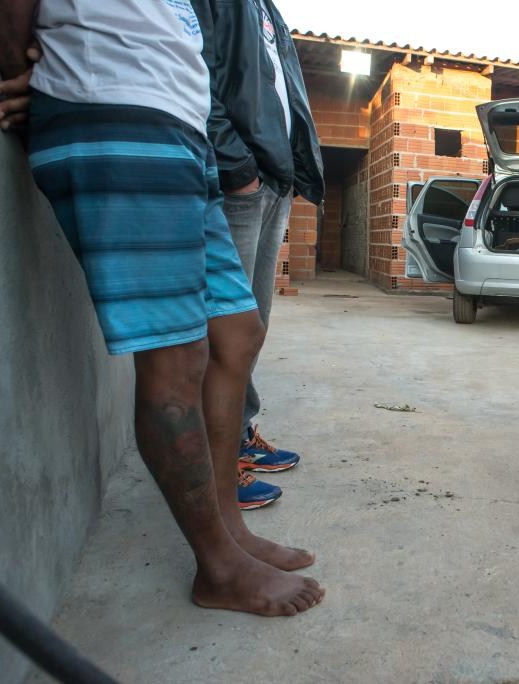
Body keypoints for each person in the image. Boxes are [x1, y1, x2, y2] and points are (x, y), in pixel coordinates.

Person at [0, 0, 323, 615]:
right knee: (177, 358)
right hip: (111, 107)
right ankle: (217, 569)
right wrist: (27, 73)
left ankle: (232, 530)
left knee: (238, 334)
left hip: (178, 127)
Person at [190, 0, 325, 509]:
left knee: (251, 327)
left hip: (271, 180)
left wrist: (284, 177)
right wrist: (237, 168)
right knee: (224, 330)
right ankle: (215, 466)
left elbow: (282, 92)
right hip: (239, 180)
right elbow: (193, 69)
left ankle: (238, 433)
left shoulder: (266, 9)